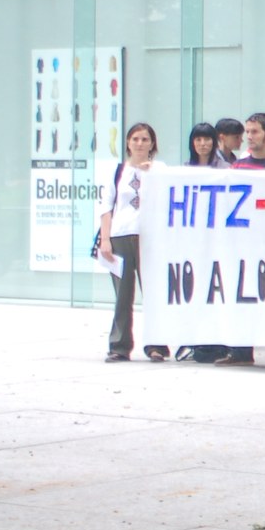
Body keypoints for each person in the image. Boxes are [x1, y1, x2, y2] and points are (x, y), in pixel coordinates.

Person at [97, 122, 167, 362]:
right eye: (135, 139)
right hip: (120, 235)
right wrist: (105, 240)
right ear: (127, 142)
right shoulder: (116, 171)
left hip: (151, 237)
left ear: (152, 144)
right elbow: (106, 207)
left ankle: (157, 345)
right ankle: (119, 346)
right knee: (123, 295)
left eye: (145, 139)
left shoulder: (161, 169)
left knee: (154, 293)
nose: (140, 143)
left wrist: (153, 175)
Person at [221, 112, 265, 367]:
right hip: (245, 244)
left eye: (254, 131)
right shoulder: (237, 167)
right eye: (247, 131)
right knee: (243, 293)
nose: (249, 136)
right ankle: (240, 350)